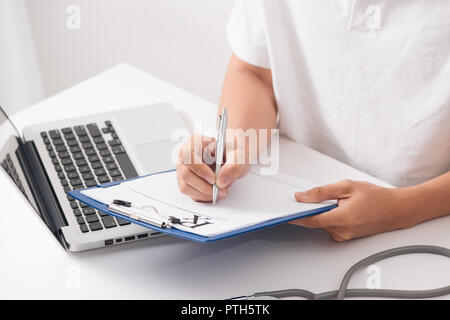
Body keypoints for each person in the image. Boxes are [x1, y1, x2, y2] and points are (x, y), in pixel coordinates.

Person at [176, 0, 450, 241]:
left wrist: (403, 209)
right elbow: (255, 72)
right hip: (289, 205)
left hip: (426, 224)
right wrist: (237, 144)